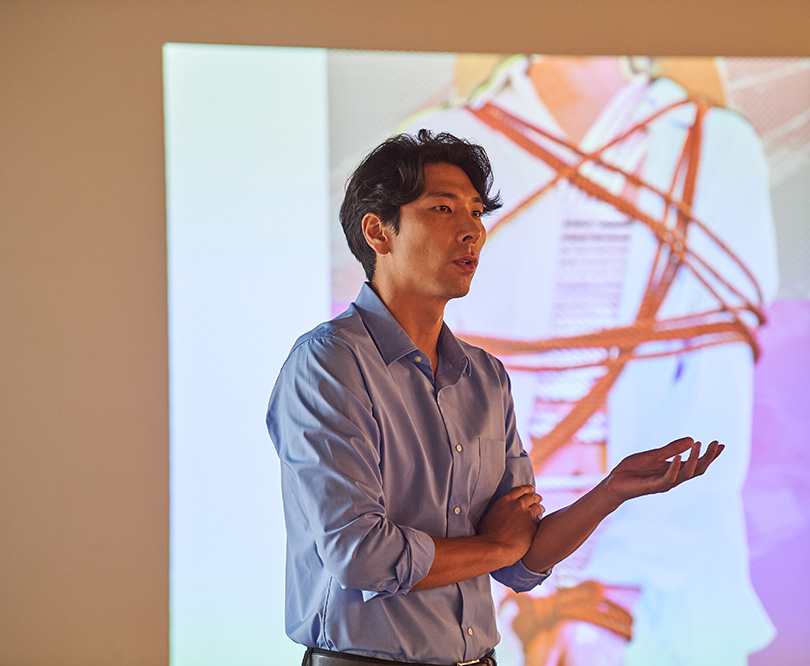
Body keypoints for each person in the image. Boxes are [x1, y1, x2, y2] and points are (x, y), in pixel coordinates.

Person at [266, 129, 723, 666]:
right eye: (443, 208)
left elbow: (520, 563)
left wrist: (611, 491)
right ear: (378, 232)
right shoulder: (329, 364)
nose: (472, 231)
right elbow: (361, 556)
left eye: (477, 212)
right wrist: (495, 546)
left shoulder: (485, 376)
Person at [400, 56, 778, 665]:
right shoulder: (436, 147)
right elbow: (418, 388)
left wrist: (611, 594)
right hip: (473, 552)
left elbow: (716, 395)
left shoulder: (715, 145)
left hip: (656, 573)